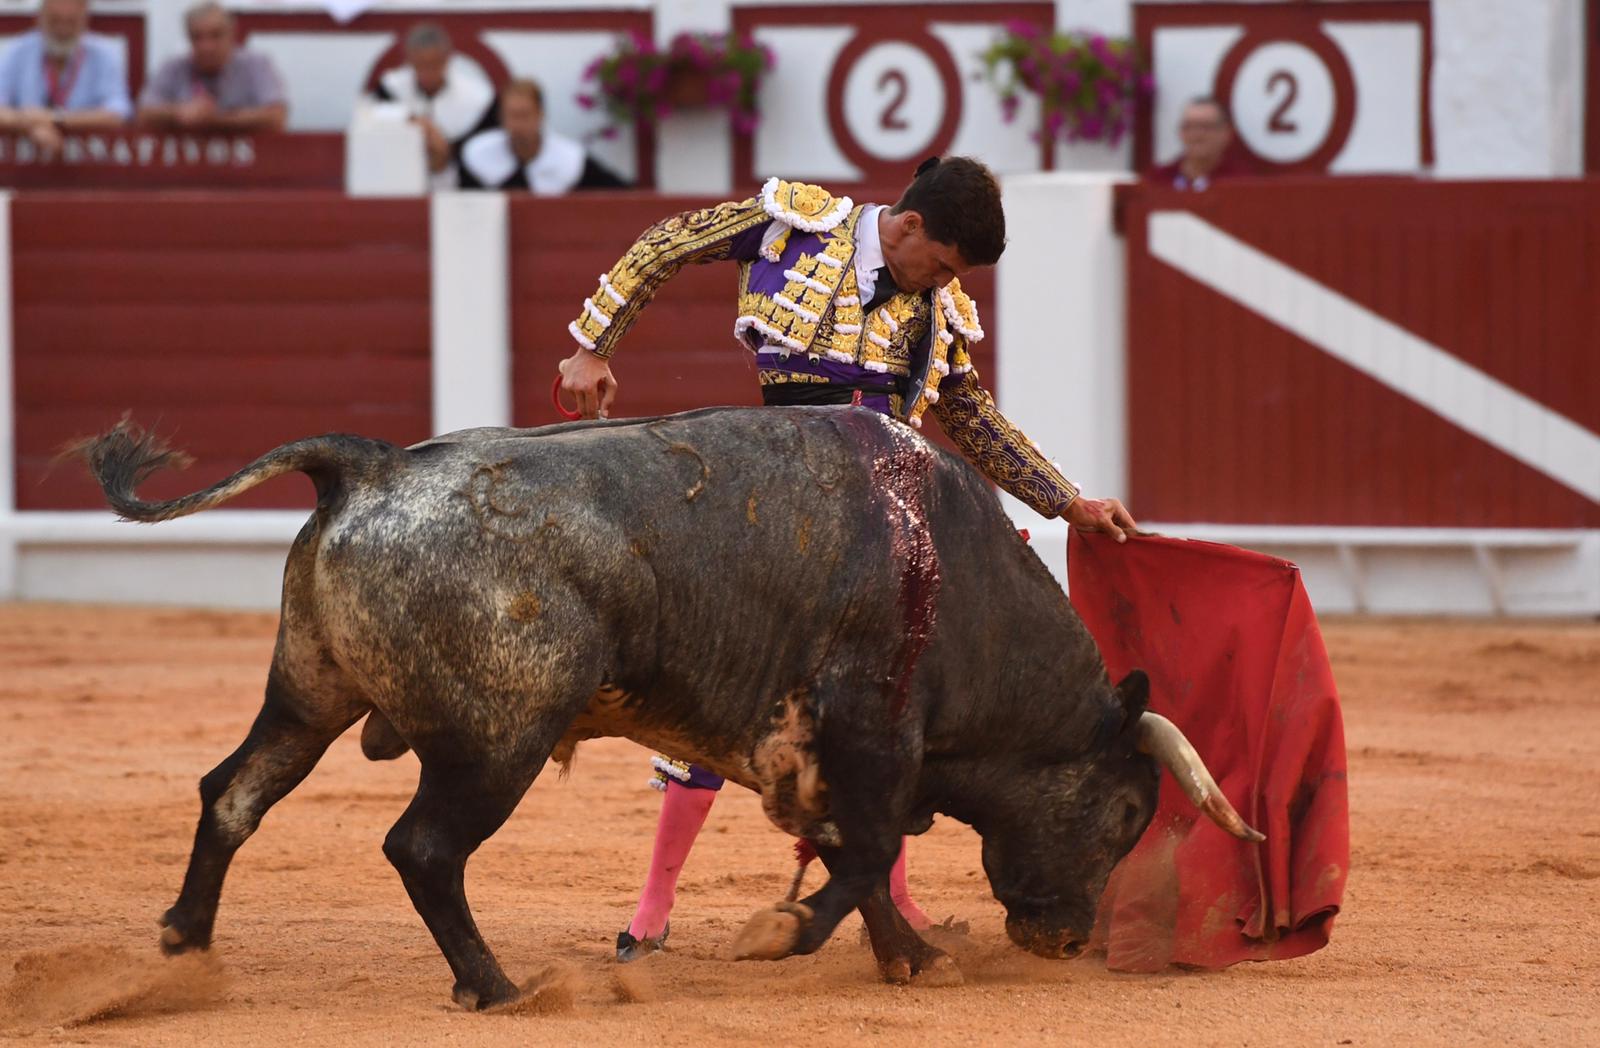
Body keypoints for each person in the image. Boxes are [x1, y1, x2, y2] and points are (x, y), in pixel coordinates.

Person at [557, 156, 1137, 962]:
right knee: (718, 686)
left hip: (885, 521)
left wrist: (1066, 499)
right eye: (937, 263)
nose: (940, 283)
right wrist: (593, 345)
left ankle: (894, 898)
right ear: (906, 227)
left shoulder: (941, 308)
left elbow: (972, 419)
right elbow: (667, 242)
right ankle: (652, 909)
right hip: (779, 502)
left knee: (893, 705)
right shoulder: (794, 227)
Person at [371, 22, 498, 190]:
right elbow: (369, 117)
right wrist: (408, 120)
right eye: (420, 64)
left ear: (447, 59)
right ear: (409, 60)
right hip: (399, 184)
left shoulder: (478, 98)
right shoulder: (390, 88)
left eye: (435, 64)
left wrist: (446, 151)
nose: (428, 72)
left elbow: (484, 151)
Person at [0, 0, 131, 154]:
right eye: (55, 20)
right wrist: (30, 128)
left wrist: (56, 120)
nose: (62, 30)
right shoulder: (17, 52)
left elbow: (119, 113)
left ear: (85, 20)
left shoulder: (104, 55)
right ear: (39, 18)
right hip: (24, 166)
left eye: (71, 21)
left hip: (89, 164)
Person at [136, 1, 287, 134]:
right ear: (188, 38)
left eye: (216, 35)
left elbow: (276, 117)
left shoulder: (257, 65)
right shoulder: (173, 67)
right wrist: (179, 112)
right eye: (197, 37)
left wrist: (216, 119)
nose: (206, 46)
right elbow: (143, 114)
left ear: (232, 34)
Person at [458, 78, 627, 193]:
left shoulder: (569, 158)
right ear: (501, 118)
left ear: (540, 115)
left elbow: (621, 193)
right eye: (512, 116)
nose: (517, 125)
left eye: (524, 115)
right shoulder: (478, 155)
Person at [1151, 97, 1254, 190]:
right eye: (1189, 127)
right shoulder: (1159, 179)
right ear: (1180, 132)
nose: (1197, 135)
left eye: (1206, 127)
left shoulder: (1242, 182)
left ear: (1226, 133)